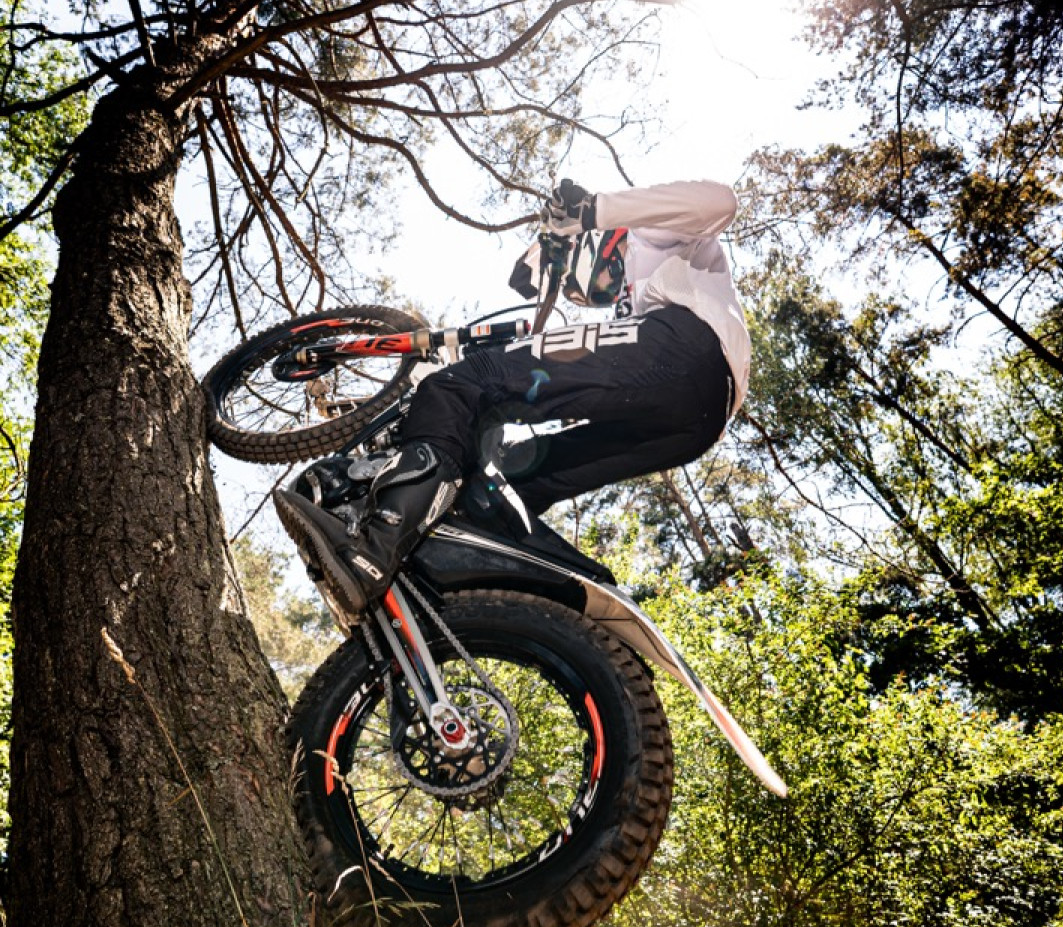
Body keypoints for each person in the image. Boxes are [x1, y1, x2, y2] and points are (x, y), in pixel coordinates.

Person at [276, 177, 751, 618]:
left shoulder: (652, 232)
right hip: (695, 424)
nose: (602, 294)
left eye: (597, 286)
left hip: (690, 348)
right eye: (593, 293)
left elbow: (721, 202)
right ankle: (580, 612)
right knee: (499, 490)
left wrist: (594, 210)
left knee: (460, 385)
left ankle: (375, 549)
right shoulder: (634, 308)